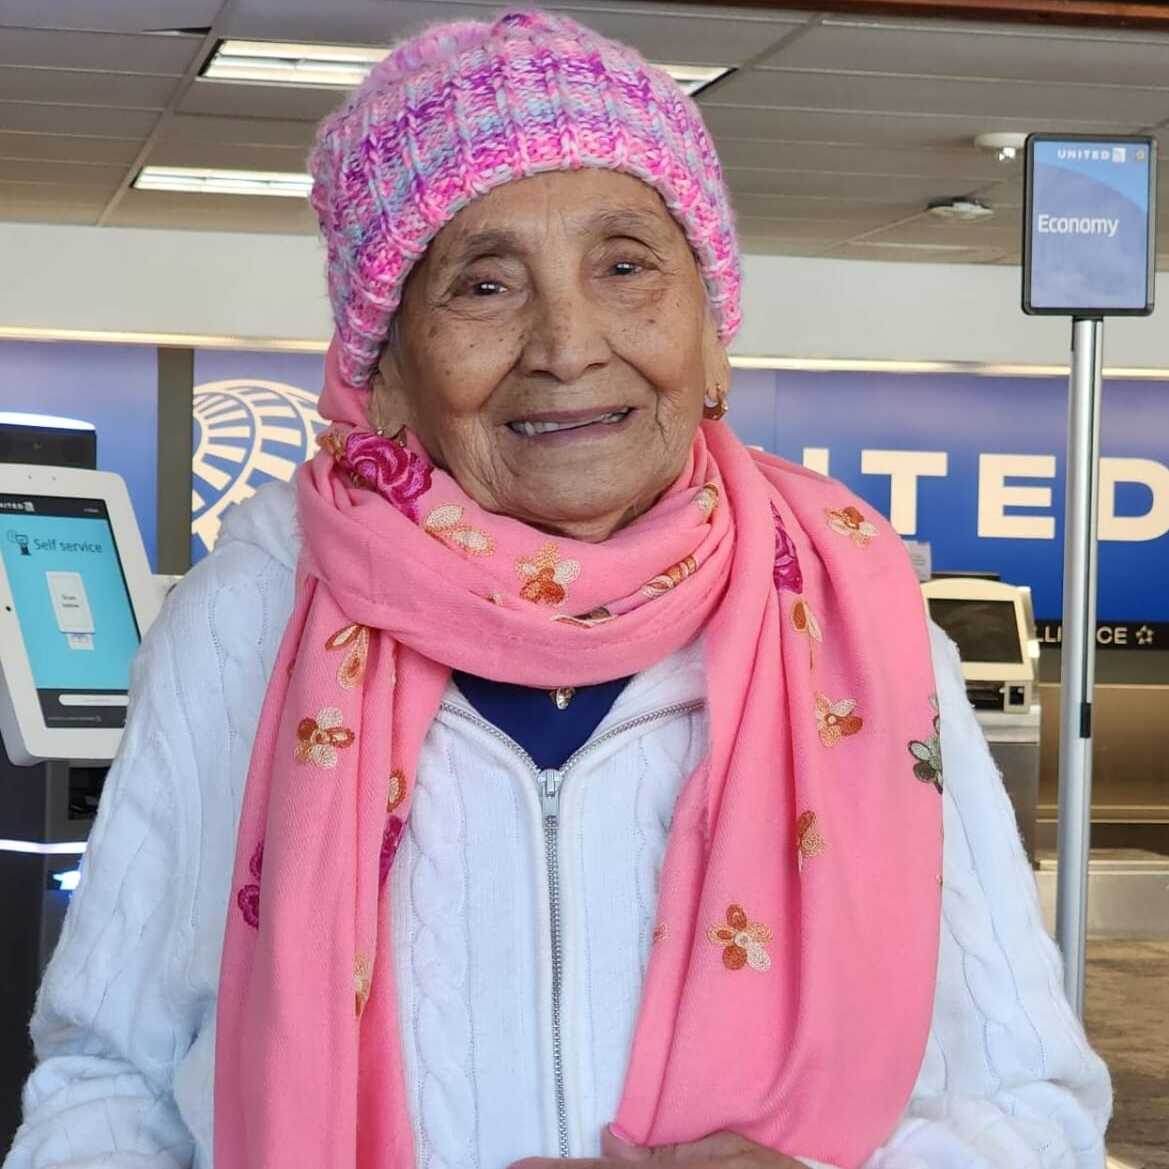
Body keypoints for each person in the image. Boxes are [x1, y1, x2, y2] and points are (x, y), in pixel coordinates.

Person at [5, 11, 1109, 1169]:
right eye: (483, 285)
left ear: (711, 334)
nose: (566, 344)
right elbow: (110, 1077)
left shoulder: (862, 627)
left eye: (624, 265)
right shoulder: (252, 617)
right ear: (384, 372)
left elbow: (1031, 1100)